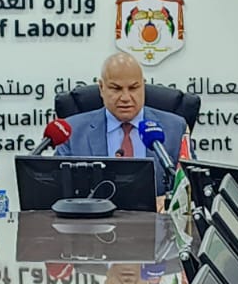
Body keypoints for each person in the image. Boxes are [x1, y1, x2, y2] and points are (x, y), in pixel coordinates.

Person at [55, 53, 188, 191]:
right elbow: (58, 189)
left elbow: (189, 189)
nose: (125, 98)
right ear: (101, 88)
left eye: (133, 88)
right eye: (116, 89)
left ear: (143, 86)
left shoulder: (175, 128)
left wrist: (165, 199)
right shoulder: (73, 132)